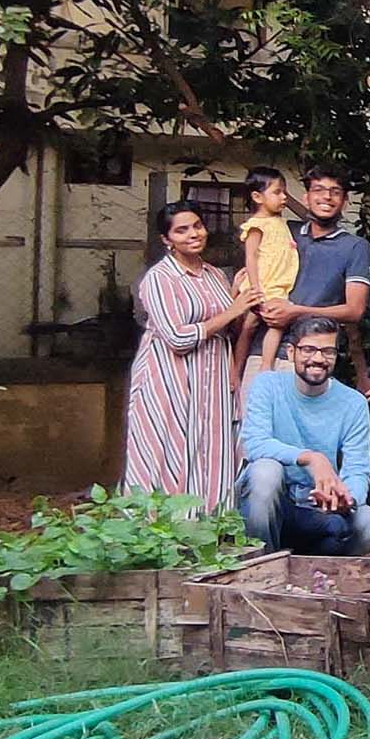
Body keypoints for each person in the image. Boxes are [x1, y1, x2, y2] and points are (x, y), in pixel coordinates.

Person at [123, 201, 258, 509]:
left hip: (213, 379)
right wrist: (233, 310)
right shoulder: (160, 279)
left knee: (211, 449)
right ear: (166, 240)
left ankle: (209, 526)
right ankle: (158, 533)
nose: (193, 234)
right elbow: (176, 337)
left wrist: (236, 300)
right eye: (181, 230)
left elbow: (226, 327)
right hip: (169, 380)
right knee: (165, 449)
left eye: (197, 226)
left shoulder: (213, 275)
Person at [237, 316, 370, 555]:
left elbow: (358, 469)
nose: (317, 359)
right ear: (291, 352)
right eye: (308, 350)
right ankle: (261, 565)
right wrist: (311, 457)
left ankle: (324, 580)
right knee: (265, 471)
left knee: (369, 521)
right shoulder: (267, 385)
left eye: (327, 351)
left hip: (320, 508)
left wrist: (346, 499)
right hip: (274, 505)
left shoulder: (353, 403)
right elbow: (255, 443)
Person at [254, 165, 370, 380]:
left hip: (312, 358)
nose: (326, 197)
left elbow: (354, 310)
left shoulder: (355, 246)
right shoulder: (284, 232)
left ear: (345, 202)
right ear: (306, 198)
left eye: (335, 192)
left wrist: (295, 311)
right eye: (318, 190)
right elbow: (255, 266)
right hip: (261, 351)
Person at [231, 167, 299, 382]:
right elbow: (251, 257)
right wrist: (256, 285)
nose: (283, 197)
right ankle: (263, 367)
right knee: (274, 324)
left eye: (284, 192)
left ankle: (238, 370)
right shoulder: (256, 225)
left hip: (278, 283)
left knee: (250, 326)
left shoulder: (279, 222)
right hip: (267, 284)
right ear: (257, 197)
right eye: (277, 192)